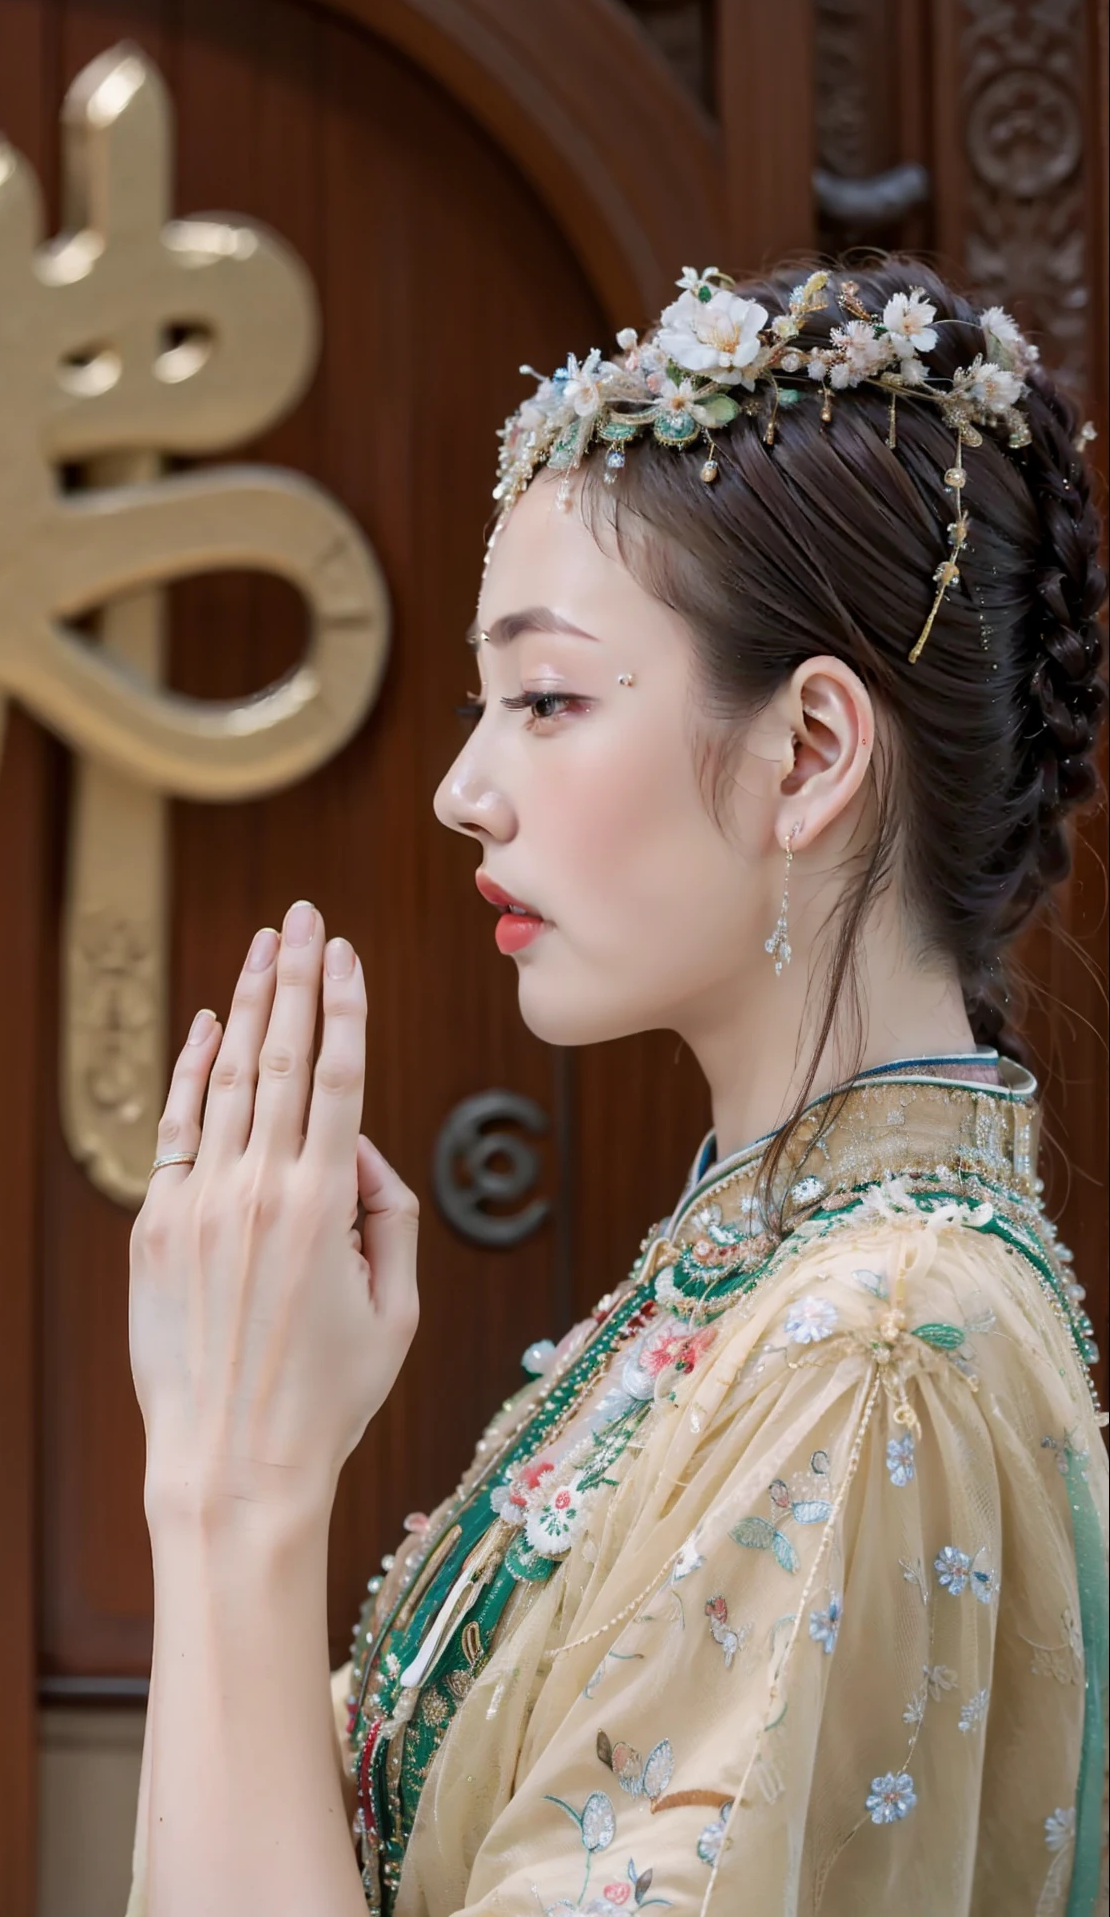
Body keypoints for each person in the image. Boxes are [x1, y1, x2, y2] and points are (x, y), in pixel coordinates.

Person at [123, 259, 1108, 1915]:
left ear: (809, 752)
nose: (464, 789)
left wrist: (234, 1489)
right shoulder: (776, 1295)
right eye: (479, 705)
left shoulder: (874, 1348)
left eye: (550, 699)